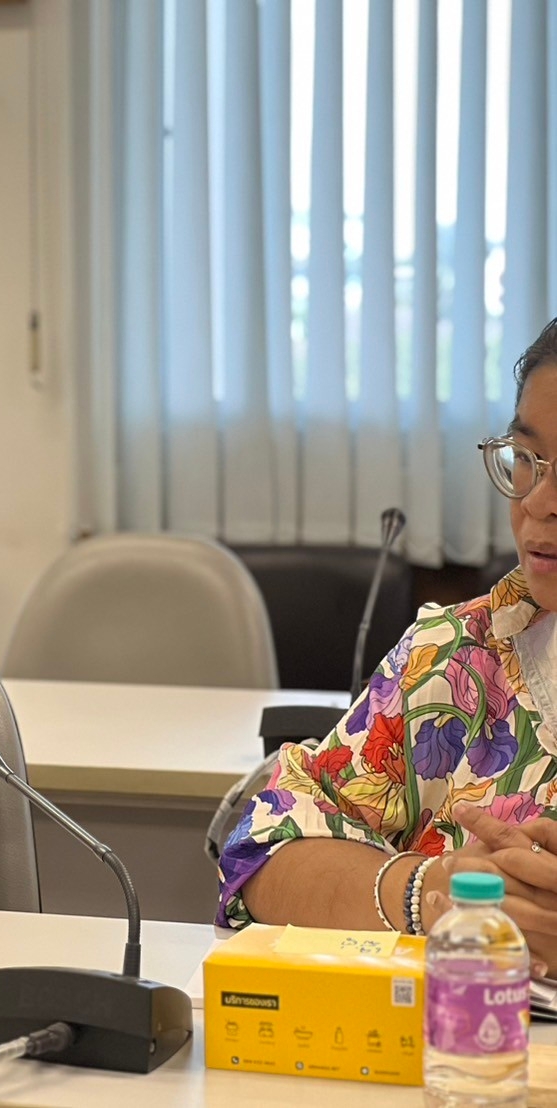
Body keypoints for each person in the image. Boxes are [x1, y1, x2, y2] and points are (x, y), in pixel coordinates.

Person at [220, 317, 557, 975]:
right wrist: (428, 894)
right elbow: (261, 853)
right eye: (527, 459)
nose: (540, 501)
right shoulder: (459, 656)